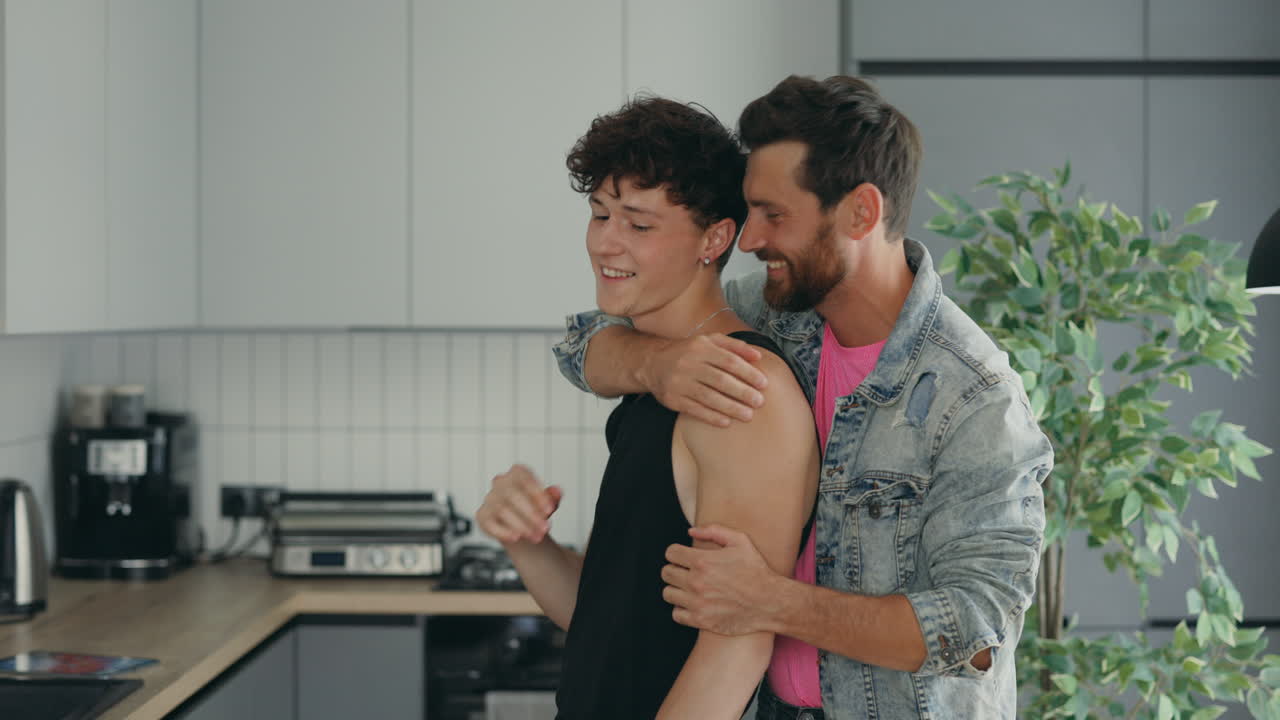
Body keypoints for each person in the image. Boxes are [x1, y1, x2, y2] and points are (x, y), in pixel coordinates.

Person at [552, 75, 1053, 719]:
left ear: (860, 213)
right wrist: (660, 365)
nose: (750, 239)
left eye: (774, 215)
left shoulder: (975, 396)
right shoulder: (776, 314)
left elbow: (978, 630)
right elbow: (584, 340)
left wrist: (772, 600)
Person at [476, 97, 821, 720]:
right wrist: (526, 541)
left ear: (714, 238)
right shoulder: (660, 376)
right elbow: (609, 616)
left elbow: (735, 646)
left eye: (639, 225)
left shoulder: (739, 387)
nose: (606, 241)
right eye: (600, 213)